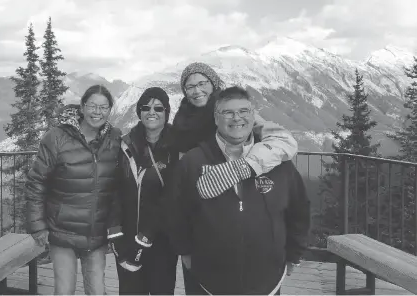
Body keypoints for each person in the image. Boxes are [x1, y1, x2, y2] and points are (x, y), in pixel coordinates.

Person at [166, 86, 311, 295]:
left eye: (244, 111)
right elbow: (176, 213)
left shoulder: (278, 162)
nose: (237, 118)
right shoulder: (193, 162)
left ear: (253, 117)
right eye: (228, 112)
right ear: (216, 118)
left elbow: (299, 210)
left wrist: (294, 254)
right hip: (207, 282)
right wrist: (186, 253)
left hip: (267, 281)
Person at [24, 85, 122, 295]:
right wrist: (38, 227)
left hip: (97, 232)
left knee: (97, 291)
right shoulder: (57, 137)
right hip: (62, 230)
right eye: (93, 106)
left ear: (110, 110)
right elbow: (36, 182)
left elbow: (120, 184)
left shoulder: (115, 139)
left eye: (103, 107)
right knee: (64, 291)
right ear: (82, 107)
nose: (98, 112)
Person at [107, 87, 180, 295]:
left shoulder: (177, 148)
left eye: (159, 108)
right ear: (139, 111)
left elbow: (174, 197)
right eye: (146, 107)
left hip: (162, 240)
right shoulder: (126, 145)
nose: (152, 112)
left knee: (161, 290)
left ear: (166, 112)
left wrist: (147, 234)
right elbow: (114, 188)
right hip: (128, 237)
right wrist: (115, 229)